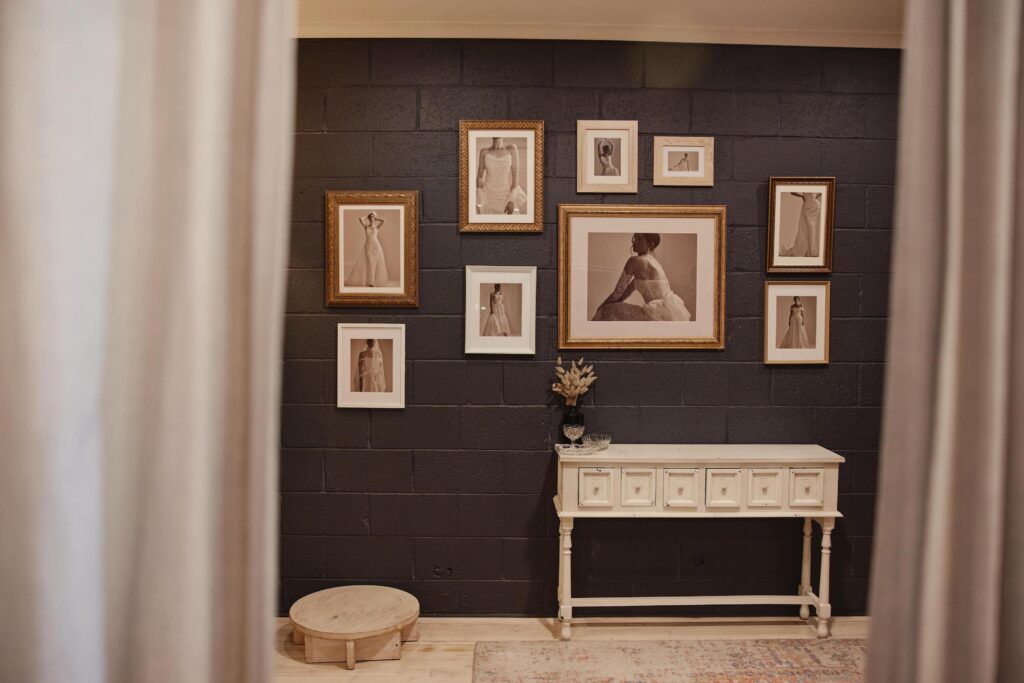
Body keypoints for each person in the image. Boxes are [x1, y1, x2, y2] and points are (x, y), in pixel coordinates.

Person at [592, 233, 691, 322]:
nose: (634, 241)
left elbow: (617, 293)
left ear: (650, 244)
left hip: (654, 315)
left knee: (605, 310)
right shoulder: (652, 261)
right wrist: (605, 306)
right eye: (635, 238)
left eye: (639, 239)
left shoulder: (634, 261)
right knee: (607, 309)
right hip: (669, 313)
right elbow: (626, 292)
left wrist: (600, 308)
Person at [476, 137, 522, 214]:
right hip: (486, 196)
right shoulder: (484, 152)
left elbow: (515, 177)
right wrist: (480, 198)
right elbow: (480, 177)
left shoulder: (512, 149)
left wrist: (512, 199)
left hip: (505, 196)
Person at [345, 211, 388, 287]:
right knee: (370, 263)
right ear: (369, 218)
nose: (371, 218)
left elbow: (383, 221)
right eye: (370, 217)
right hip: (368, 246)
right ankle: (370, 282)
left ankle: (372, 282)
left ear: (374, 218)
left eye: (373, 217)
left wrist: (376, 218)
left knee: (375, 264)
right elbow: (360, 218)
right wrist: (367, 216)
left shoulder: (377, 227)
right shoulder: (366, 226)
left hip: (376, 246)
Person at [781, 192, 821, 258]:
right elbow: (793, 192)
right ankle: (812, 250)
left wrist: (803, 196)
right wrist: (805, 196)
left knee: (810, 228)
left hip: (811, 205)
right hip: (813, 205)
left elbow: (793, 192)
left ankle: (812, 250)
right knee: (811, 228)